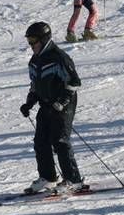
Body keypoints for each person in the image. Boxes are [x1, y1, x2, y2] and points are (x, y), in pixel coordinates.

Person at [20, 20, 86, 195]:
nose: (31, 44)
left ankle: (74, 180)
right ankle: (48, 178)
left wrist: (60, 103)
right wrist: (29, 103)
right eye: (29, 41)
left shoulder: (60, 57)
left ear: (44, 38)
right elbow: (35, 86)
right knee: (40, 141)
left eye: (33, 40)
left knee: (60, 140)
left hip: (63, 105)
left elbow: (74, 83)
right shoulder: (34, 61)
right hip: (46, 105)